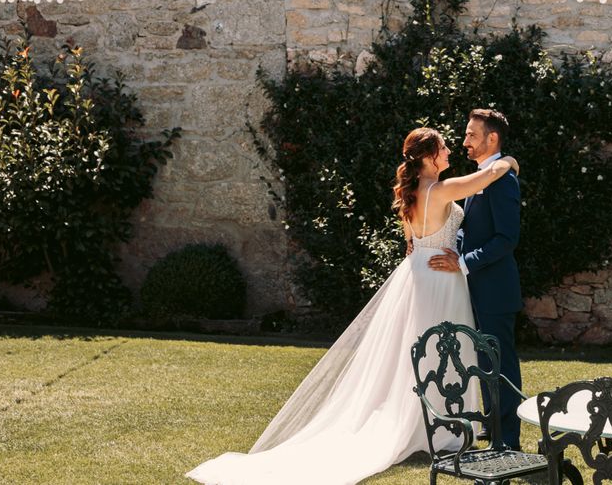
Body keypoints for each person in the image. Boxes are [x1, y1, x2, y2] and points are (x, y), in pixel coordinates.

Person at [186, 127, 518, 485]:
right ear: (428, 157)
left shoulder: (410, 195)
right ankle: (441, 431)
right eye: (443, 148)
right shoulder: (440, 190)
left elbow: (411, 244)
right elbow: (489, 174)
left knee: (424, 351)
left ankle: (430, 426)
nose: (451, 151)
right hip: (440, 276)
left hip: (418, 272)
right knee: (446, 350)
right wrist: (511, 161)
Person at [427, 108, 523, 451]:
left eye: (471, 134)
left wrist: (464, 263)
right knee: (483, 364)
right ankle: (493, 428)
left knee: (502, 365)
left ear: (491, 138)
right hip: (473, 289)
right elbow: (470, 230)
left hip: (496, 290)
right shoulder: (481, 176)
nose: (465, 141)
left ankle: (508, 439)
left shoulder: (502, 180)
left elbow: (506, 238)